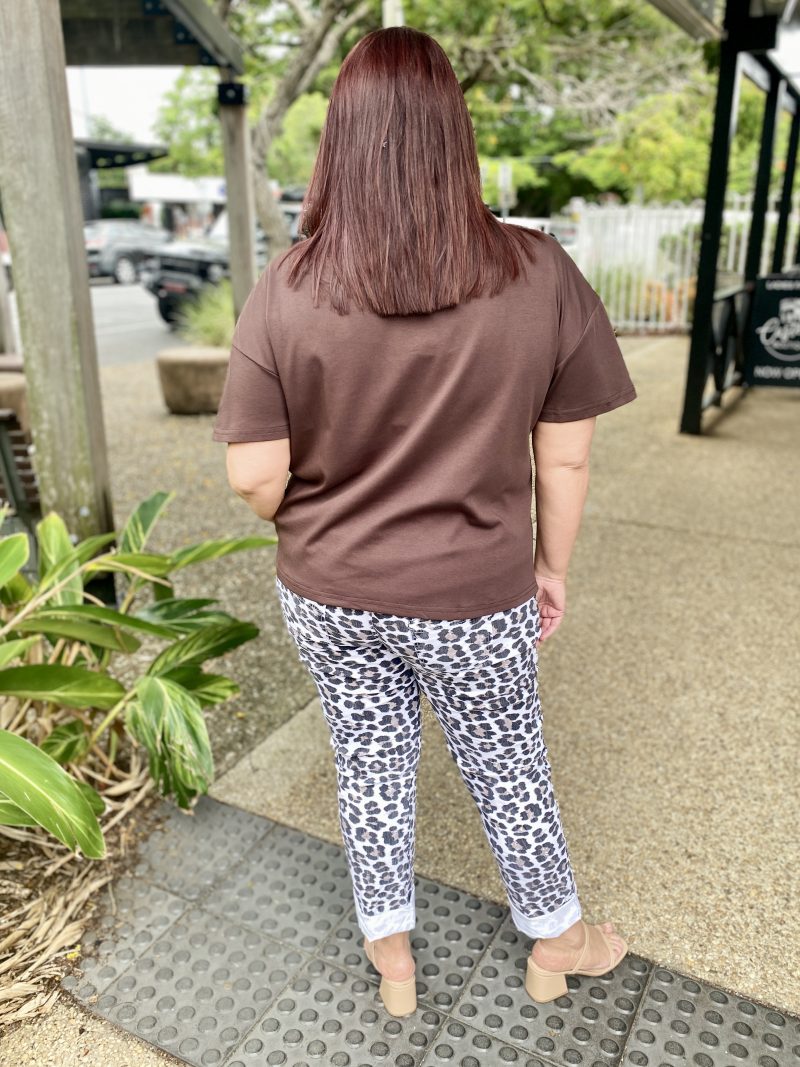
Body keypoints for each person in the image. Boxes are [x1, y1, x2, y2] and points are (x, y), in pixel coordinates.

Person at [212, 26, 637, 1016]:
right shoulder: (538, 272)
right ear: (454, 133)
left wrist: (324, 510)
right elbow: (565, 456)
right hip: (474, 593)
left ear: (339, 141)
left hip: (329, 591)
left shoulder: (288, 287)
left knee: (368, 761)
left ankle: (392, 955)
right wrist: (549, 566)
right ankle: (557, 940)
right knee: (508, 762)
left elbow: (253, 475)